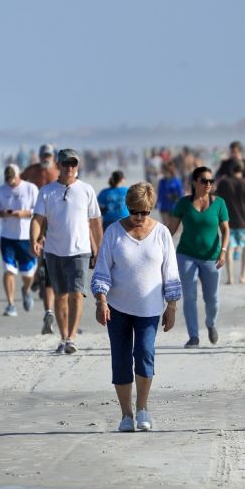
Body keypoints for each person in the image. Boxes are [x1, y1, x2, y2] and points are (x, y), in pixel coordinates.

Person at [91, 182, 181, 432]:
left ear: (151, 208)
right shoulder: (113, 232)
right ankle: (126, 414)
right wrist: (101, 300)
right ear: (127, 207)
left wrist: (171, 306)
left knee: (144, 354)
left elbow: (170, 272)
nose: (139, 217)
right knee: (120, 360)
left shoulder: (162, 233)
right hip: (117, 308)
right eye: (134, 211)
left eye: (145, 211)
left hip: (150, 309)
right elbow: (102, 269)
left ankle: (142, 409)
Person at [31, 148, 103, 355]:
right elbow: (38, 219)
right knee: (60, 296)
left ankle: (72, 337)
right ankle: (63, 337)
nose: (70, 168)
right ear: (59, 166)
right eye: (66, 164)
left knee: (77, 295)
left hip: (80, 251)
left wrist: (99, 249)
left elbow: (95, 223)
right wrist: (34, 239)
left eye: (74, 164)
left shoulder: (87, 190)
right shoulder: (46, 191)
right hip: (54, 251)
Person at [167, 166, 229, 347]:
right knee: (190, 296)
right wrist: (156, 243)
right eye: (204, 180)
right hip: (186, 255)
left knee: (213, 299)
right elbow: (171, 229)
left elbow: (225, 230)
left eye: (211, 181)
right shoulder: (183, 203)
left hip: (212, 257)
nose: (208, 184)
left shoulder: (219, 203)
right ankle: (193, 336)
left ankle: (211, 323)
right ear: (194, 182)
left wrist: (223, 251)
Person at [21, 144, 61, 335]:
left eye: (49, 155)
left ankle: (37, 281)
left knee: (49, 264)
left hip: (54, 219)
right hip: (37, 217)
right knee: (41, 258)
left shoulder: (59, 170)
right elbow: (19, 182)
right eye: (43, 155)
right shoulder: (33, 170)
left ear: (53, 156)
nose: (46, 157)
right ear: (39, 155)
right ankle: (40, 283)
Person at [0, 164, 39, 317]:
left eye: (12, 179)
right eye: (8, 180)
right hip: (7, 238)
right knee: (9, 271)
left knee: (28, 274)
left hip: (26, 237)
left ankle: (26, 290)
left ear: (18, 176)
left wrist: (24, 213)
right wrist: (2, 213)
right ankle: (10, 304)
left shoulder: (30, 188)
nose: (10, 183)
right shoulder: (0, 190)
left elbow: (39, 211)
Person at [215, 161, 245, 285]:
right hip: (244, 222)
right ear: (242, 170)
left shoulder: (224, 183)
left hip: (228, 222)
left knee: (229, 248)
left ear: (231, 170)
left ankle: (230, 278)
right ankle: (243, 276)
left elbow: (215, 198)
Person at [156, 161, 183, 226]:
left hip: (174, 206)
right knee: (166, 226)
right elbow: (159, 193)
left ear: (169, 171)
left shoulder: (176, 181)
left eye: (165, 171)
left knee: (172, 227)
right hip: (163, 206)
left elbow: (181, 194)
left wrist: (174, 196)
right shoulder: (161, 181)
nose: (163, 173)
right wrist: (157, 203)